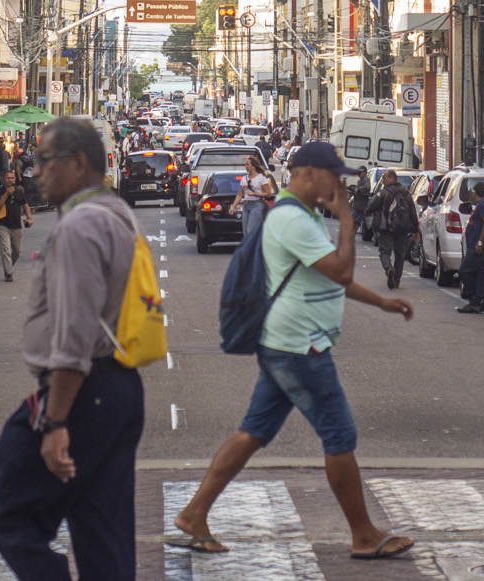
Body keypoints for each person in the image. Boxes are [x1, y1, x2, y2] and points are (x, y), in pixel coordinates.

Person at [170, 141, 415, 560]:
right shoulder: (292, 219)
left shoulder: (296, 215)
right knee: (338, 435)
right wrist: (346, 220)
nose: (338, 183)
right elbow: (340, 268)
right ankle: (363, 534)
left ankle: (194, 514)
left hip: (285, 343)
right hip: (301, 346)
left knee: (252, 432)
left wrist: (382, 302)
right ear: (306, 174)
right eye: (331, 175)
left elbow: (327, 278)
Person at [0, 117, 145, 579]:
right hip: (115, 390)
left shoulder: (81, 226)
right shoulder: (115, 211)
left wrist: (55, 420)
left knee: (9, 512)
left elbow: (75, 335)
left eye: (43, 161)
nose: (34, 172)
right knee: (102, 536)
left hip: (83, 391)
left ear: (77, 164)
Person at [370, 169, 418, 290]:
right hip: (402, 229)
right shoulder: (406, 193)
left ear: (391, 179)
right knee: (399, 254)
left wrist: (368, 212)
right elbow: (413, 212)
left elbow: (371, 207)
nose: (383, 181)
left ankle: (388, 269)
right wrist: (415, 230)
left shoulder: (384, 193)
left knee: (384, 252)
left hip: (386, 228)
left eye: (384, 178)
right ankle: (396, 280)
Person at [457, 180, 484, 314]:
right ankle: (475, 303)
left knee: (464, 271)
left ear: (475, 192)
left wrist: (480, 243)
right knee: (479, 274)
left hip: (478, 246)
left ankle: (475, 297)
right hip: (476, 245)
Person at [0, 170, 32, 282]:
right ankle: (9, 273)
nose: (10, 180)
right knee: (6, 249)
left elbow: (26, 206)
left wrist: (29, 218)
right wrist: (6, 194)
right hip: (2, 225)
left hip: (16, 225)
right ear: (3, 180)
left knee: (17, 251)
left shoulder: (19, 192)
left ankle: (8, 268)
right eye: (8, 178)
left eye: (12, 178)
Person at [230, 155, 275, 240]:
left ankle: (252, 249)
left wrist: (255, 194)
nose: (246, 166)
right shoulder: (244, 178)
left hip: (257, 204)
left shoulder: (261, 178)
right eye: (245, 164)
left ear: (253, 166)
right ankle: (250, 249)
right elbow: (240, 194)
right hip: (246, 204)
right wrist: (233, 206)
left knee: (250, 230)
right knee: (245, 232)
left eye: (248, 164)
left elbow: (267, 193)